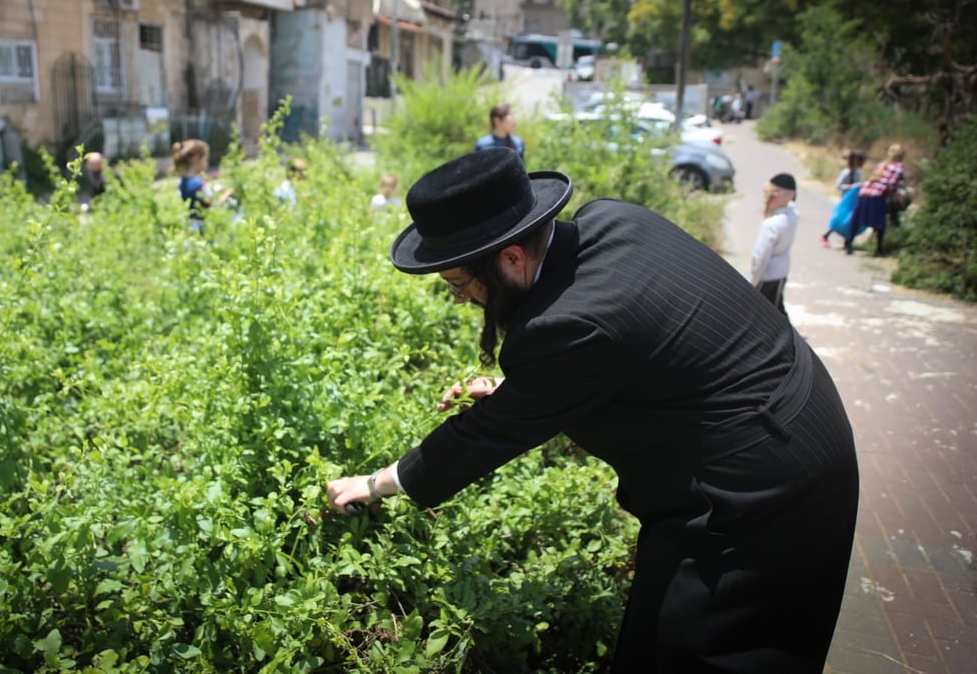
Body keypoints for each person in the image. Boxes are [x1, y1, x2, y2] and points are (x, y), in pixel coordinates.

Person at [326, 149, 858, 672]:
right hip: (799, 415)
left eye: (460, 284)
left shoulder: (562, 329)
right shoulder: (612, 220)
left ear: (510, 258)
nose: (462, 300)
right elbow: (628, 343)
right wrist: (523, 390)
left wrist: (376, 484)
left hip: (764, 486)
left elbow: (484, 436)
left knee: (700, 649)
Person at [751, 173, 800, 314]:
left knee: (767, 315)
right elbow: (791, 202)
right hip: (780, 273)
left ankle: (790, 336)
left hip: (766, 277)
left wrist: (753, 280)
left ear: (777, 195)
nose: (764, 197)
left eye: (766, 193)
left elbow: (760, 257)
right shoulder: (793, 215)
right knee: (776, 310)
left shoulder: (771, 225)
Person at [847, 143, 905, 256]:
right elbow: (892, 184)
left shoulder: (882, 164)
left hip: (864, 192)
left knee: (857, 219)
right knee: (879, 223)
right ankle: (878, 249)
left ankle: (849, 244)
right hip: (878, 195)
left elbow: (873, 177)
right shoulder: (898, 167)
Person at [172, 139, 233, 233]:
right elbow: (213, 205)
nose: (207, 163)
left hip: (189, 228)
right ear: (197, 158)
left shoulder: (181, 183)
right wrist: (227, 194)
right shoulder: (200, 184)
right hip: (203, 229)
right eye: (206, 159)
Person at [821, 150, 866, 247]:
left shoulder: (857, 173)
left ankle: (847, 240)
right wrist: (852, 186)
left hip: (853, 200)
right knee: (841, 219)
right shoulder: (846, 173)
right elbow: (839, 186)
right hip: (845, 199)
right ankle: (826, 235)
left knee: (849, 219)